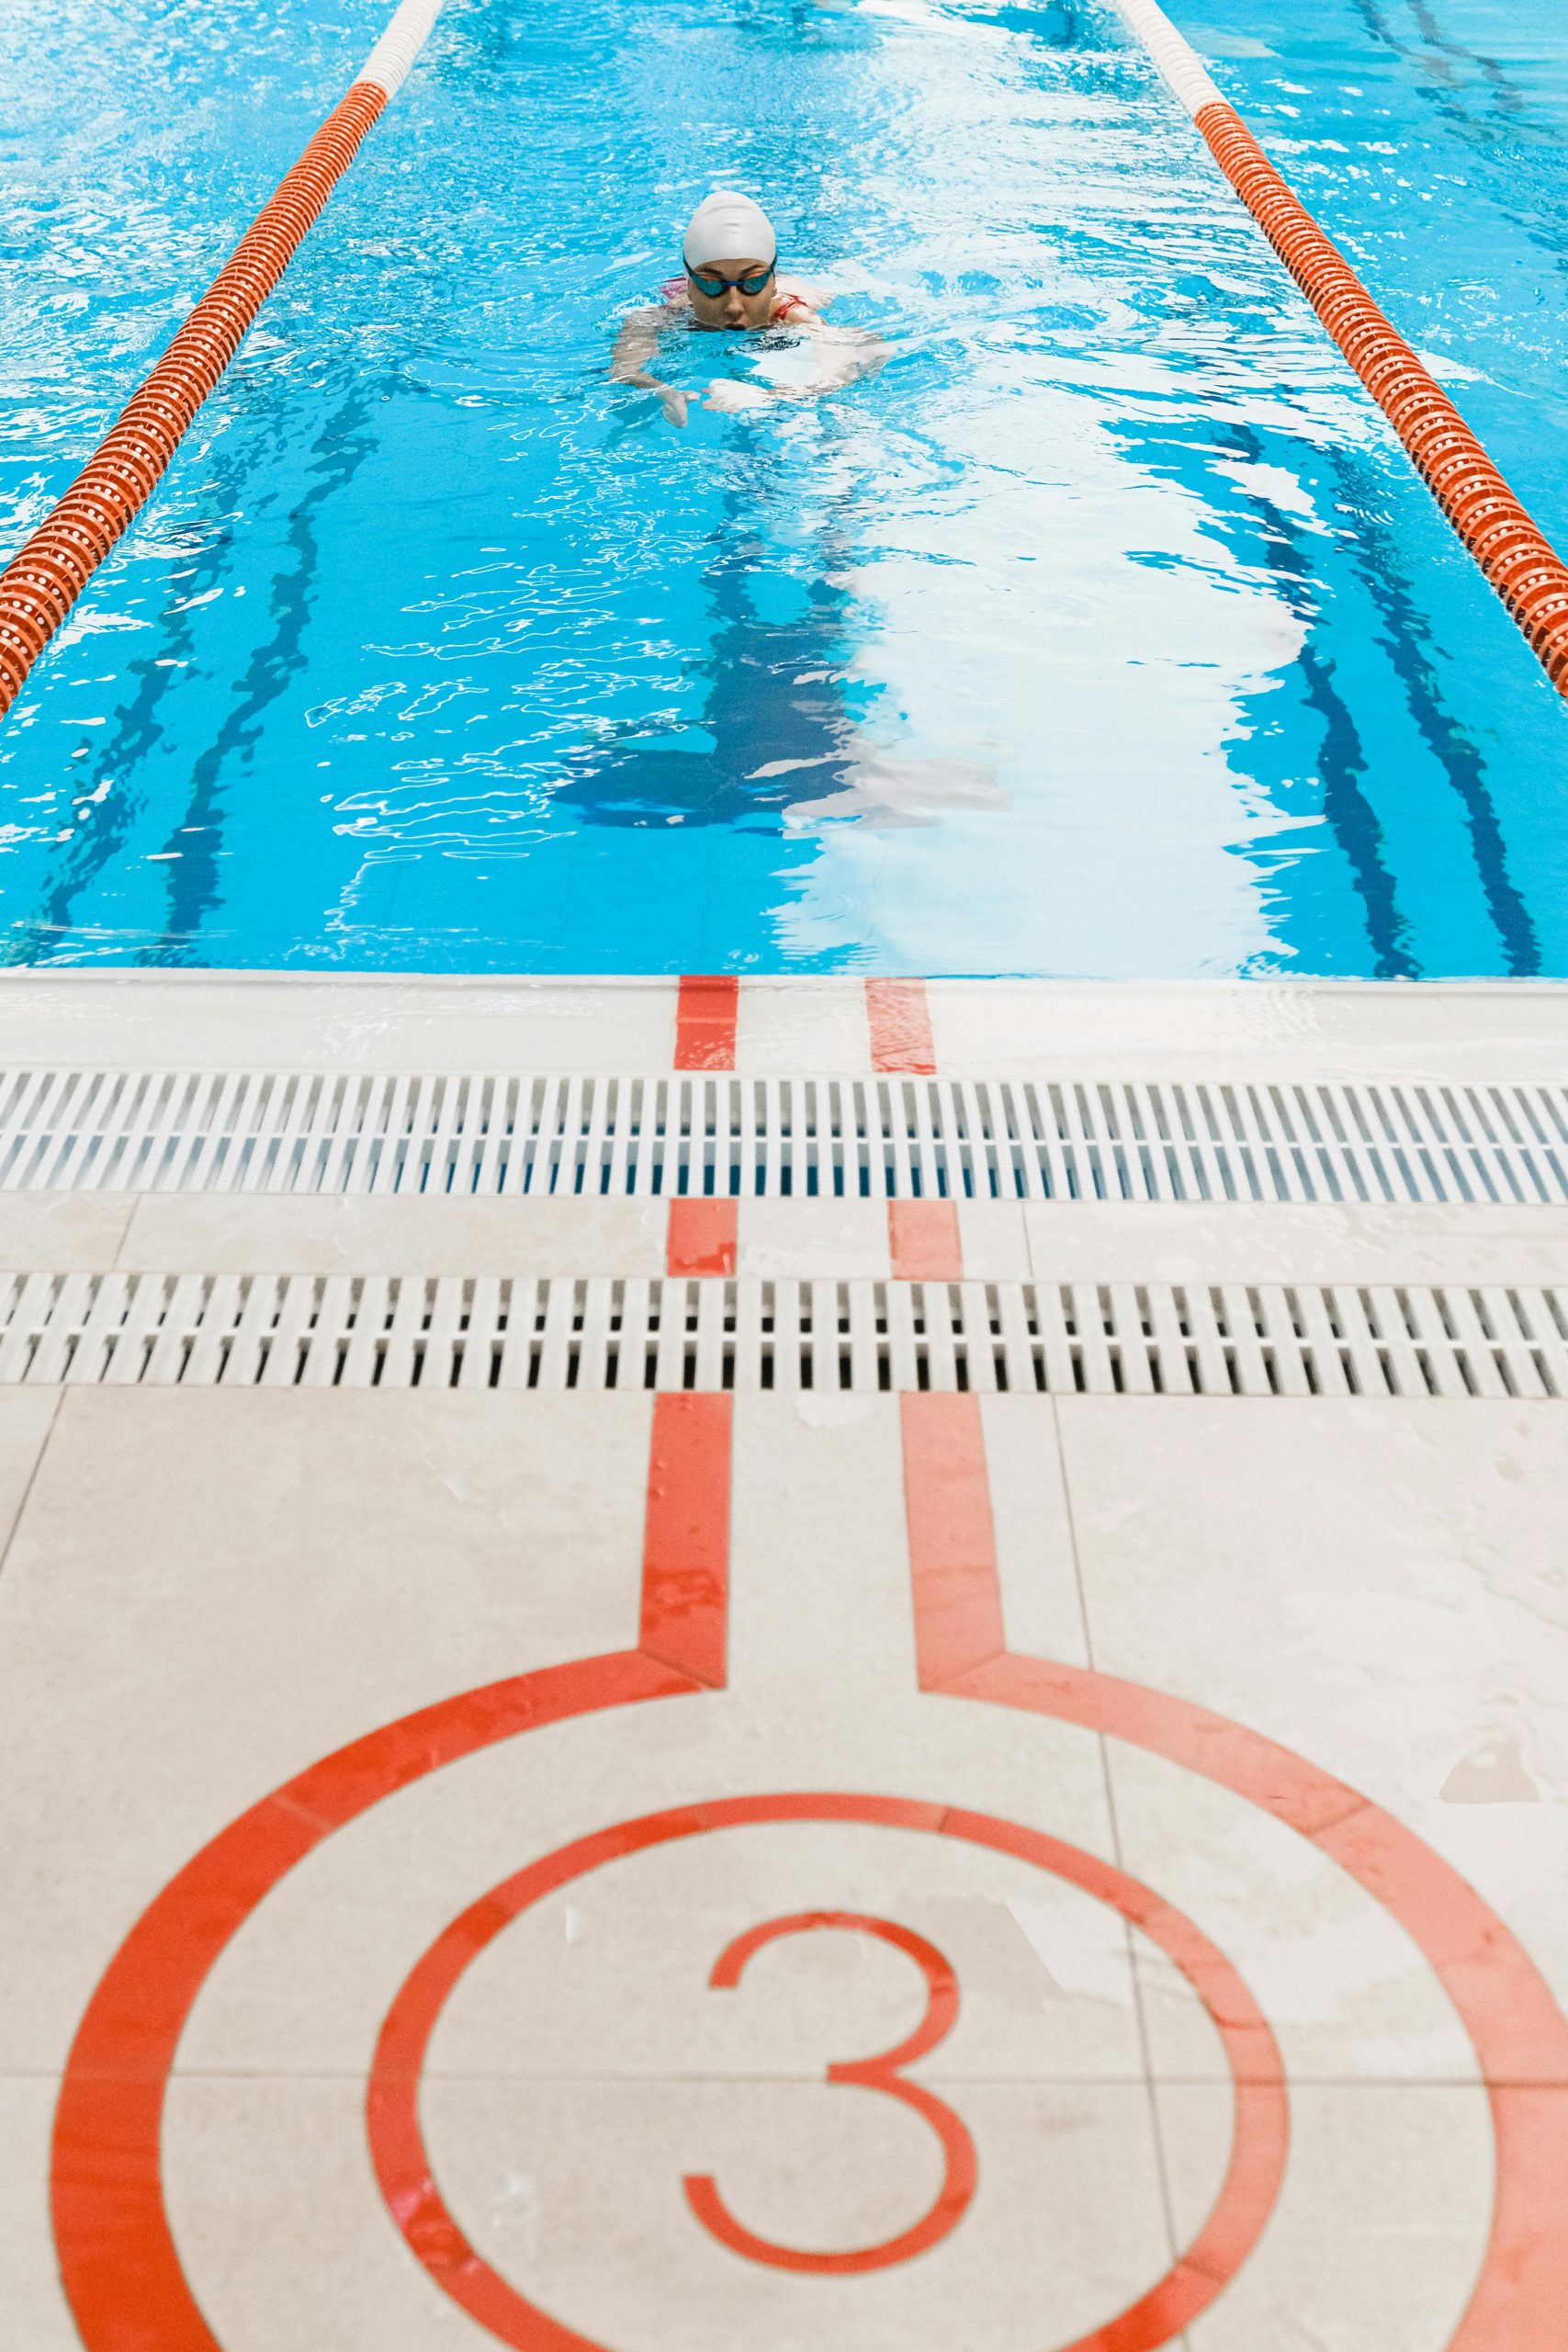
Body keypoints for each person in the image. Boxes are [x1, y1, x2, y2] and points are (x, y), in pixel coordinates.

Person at [610, 191, 884, 426]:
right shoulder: (661, 318)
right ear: (691, 286)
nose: (733, 306)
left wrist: (770, 396)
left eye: (752, 284)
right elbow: (624, 370)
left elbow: (862, 356)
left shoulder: (790, 315)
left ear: (771, 282)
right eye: (712, 285)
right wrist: (664, 391)